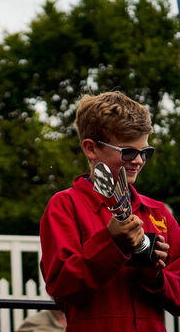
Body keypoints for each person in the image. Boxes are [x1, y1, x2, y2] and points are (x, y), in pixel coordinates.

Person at [40, 91, 180, 331]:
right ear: (91, 148)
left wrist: (154, 276)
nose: (138, 161)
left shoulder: (157, 212)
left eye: (145, 152)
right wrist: (111, 242)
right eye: (128, 152)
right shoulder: (65, 205)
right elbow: (63, 288)